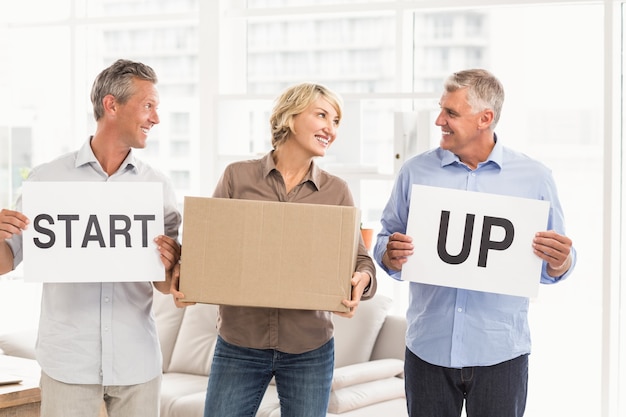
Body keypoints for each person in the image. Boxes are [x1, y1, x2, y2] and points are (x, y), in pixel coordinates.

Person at [373, 69, 576, 417]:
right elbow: (383, 240)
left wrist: (560, 261)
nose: (439, 120)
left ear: (486, 118)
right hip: (428, 349)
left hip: (500, 353)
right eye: (441, 109)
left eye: (451, 113)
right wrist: (389, 255)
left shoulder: (535, 177)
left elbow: (555, 263)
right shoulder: (415, 172)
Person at [170, 82, 377, 417]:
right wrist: (185, 276)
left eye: (336, 121)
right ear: (290, 117)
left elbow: (362, 261)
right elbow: (208, 248)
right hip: (240, 342)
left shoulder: (336, 192)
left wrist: (360, 282)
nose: (331, 128)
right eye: (322, 115)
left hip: (309, 347)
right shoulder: (238, 177)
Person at [0, 59, 182, 417]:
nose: (155, 118)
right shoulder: (47, 180)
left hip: (137, 364)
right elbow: (7, 260)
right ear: (111, 105)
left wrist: (174, 263)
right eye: (148, 106)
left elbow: (164, 285)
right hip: (69, 364)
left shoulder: (156, 186)